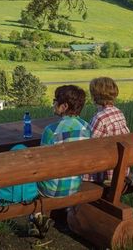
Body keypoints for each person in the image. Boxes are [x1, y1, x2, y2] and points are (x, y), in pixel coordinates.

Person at [30, 85, 91, 237]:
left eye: (55, 100)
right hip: (75, 185)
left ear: (64, 106)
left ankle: (36, 217)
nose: (53, 104)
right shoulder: (87, 127)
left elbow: (40, 163)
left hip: (52, 190)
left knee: (27, 178)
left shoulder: (51, 130)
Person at [86, 77, 130, 184]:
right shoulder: (118, 113)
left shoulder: (99, 118)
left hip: (106, 173)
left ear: (95, 97)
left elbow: (87, 147)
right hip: (121, 168)